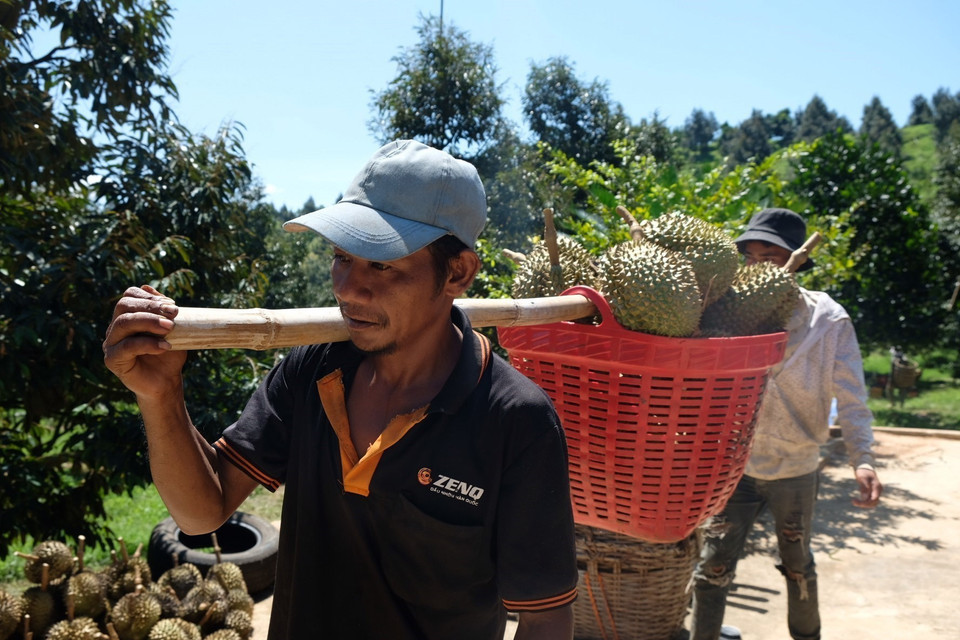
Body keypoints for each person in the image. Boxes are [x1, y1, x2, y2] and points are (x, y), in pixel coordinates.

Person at [103, 140, 579, 639]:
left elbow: (545, 617)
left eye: (382, 265)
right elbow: (201, 512)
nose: (349, 288)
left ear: (457, 271)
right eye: (341, 257)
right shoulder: (313, 371)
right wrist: (161, 396)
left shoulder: (514, 419)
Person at [688, 208, 883, 640]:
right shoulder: (725, 318)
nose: (757, 265)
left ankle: (806, 636)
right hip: (735, 468)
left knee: (798, 565)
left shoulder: (827, 320)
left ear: (796, 261)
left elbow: (852, 394)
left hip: (796, 469)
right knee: (713, 566)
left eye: (770, 256)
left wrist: (863, 459)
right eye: (750, 256)